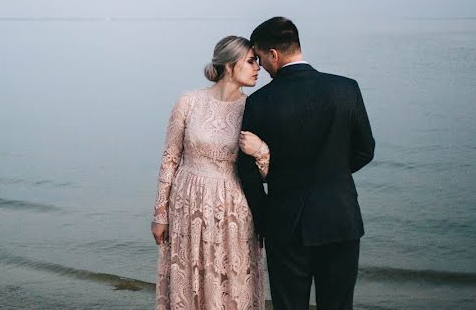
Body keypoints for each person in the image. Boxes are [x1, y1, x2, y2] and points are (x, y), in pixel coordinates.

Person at [237, 17, 375, 310]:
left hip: (285, 224)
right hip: (341, 219)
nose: (260, 66)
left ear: (273, 54)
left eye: (260, 58)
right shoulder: (346, 89)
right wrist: (331, 172)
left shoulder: (260, 102)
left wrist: (263, 222)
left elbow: (247, 171)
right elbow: (366, 150)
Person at [151, 35, 270, 310]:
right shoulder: (188, 101)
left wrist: (262, 150)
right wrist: (160, 214)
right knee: (188, 281)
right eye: (251, 61)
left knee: (230, 281)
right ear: (229, 65)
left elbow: (266, 172)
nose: (258, 68)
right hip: (186, 204)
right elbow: (170, 158)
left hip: (233, 208)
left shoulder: (254, 108)